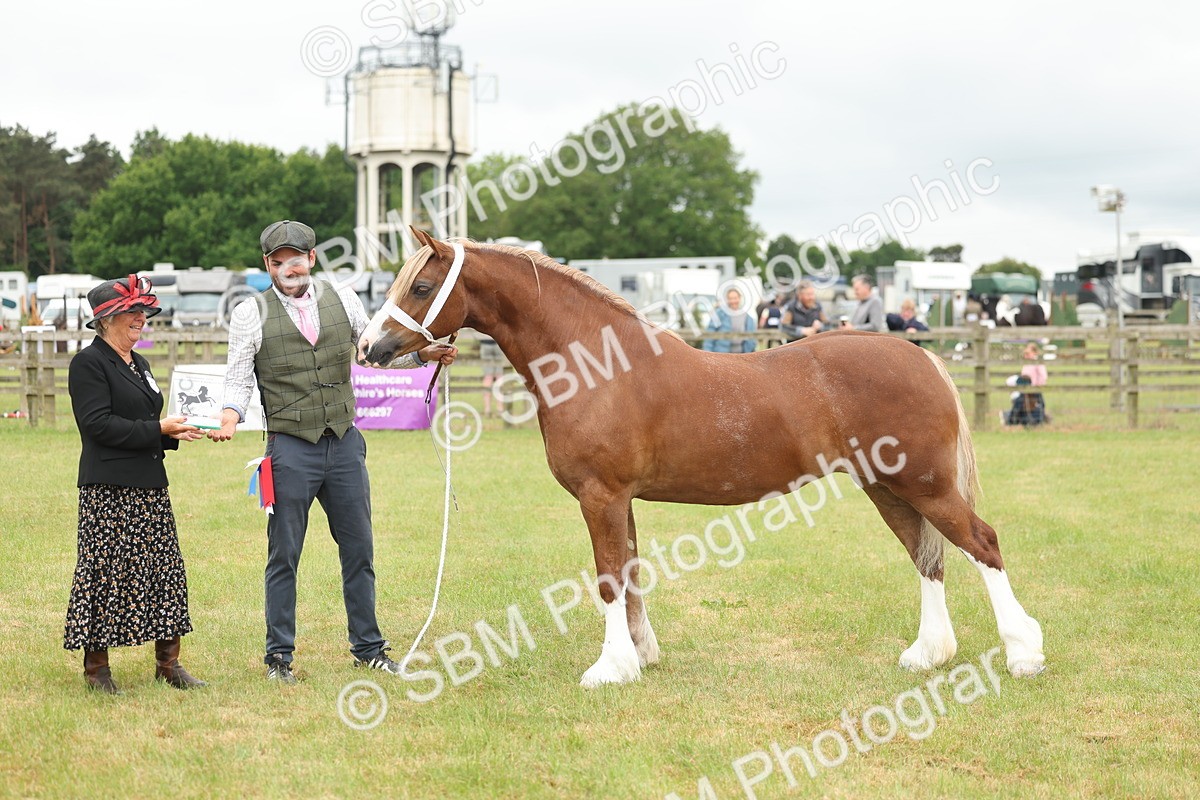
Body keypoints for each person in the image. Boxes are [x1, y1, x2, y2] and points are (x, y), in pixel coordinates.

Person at [208, 220, 458, 683]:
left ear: (312, 257)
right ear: (268, 265)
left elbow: (370, 352)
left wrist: (423, 356)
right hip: (289, 449)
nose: (289, 267)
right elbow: (238, 376)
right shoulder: (249, 314)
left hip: (344, 444)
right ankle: (278, 659)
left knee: (359, 550)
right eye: (279, 261)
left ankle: (369, 649)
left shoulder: (342, 297)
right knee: (284, 555)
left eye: (296, 258)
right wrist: (229, 417)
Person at [64, 275, 207, 694]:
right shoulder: (87, 364)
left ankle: (170, 664)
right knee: (105, 574)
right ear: (107, 319)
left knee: (164, 571)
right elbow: (97, 425)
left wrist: (169, 433)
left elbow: (143, 424)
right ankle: (97, 672)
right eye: (133, 313)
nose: (141, 319)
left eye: (143, 313)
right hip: (107, 487)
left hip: (149, 485)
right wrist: (156, 428)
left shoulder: (140, 365)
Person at [1003, 342, 1049, 426]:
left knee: (1022, 402)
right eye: (1025, 354)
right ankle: (1013, 420)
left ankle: (1011, 420)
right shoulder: (1027, 363)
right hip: (1025, 387)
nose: (1025, 356)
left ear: (1034, 353)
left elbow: (1043, 377)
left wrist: (1036, 386)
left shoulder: (1037, 362)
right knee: (1019, 401)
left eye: (1028, 354)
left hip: (1033, 388)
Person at [703, 288, 756, 353]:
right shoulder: (719, 314)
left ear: (739, 298)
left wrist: (748, 352)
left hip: (740, 355)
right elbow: (710, 333)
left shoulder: (747, 318)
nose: (733, 301)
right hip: (722, 354)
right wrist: (707, 352)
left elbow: (752, 338)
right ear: (727, 300)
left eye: (735, 298)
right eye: (730, 298)